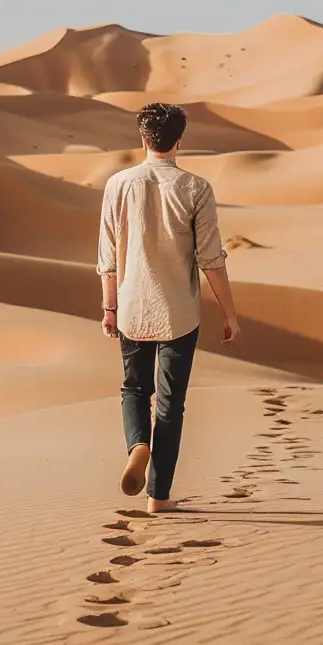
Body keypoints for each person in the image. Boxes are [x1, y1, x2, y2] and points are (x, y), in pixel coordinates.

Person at [97, 103, 241, 514]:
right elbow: (211, 258)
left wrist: (109, 309)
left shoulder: (117, 185)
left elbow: (107, 256)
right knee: (170, 402)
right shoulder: (196, 189)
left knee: (132, 388)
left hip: (130, 309)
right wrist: (229, 313)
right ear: (180, 141)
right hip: (178, 312)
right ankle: (158, 497)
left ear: (143, 140)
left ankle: (137, 444)